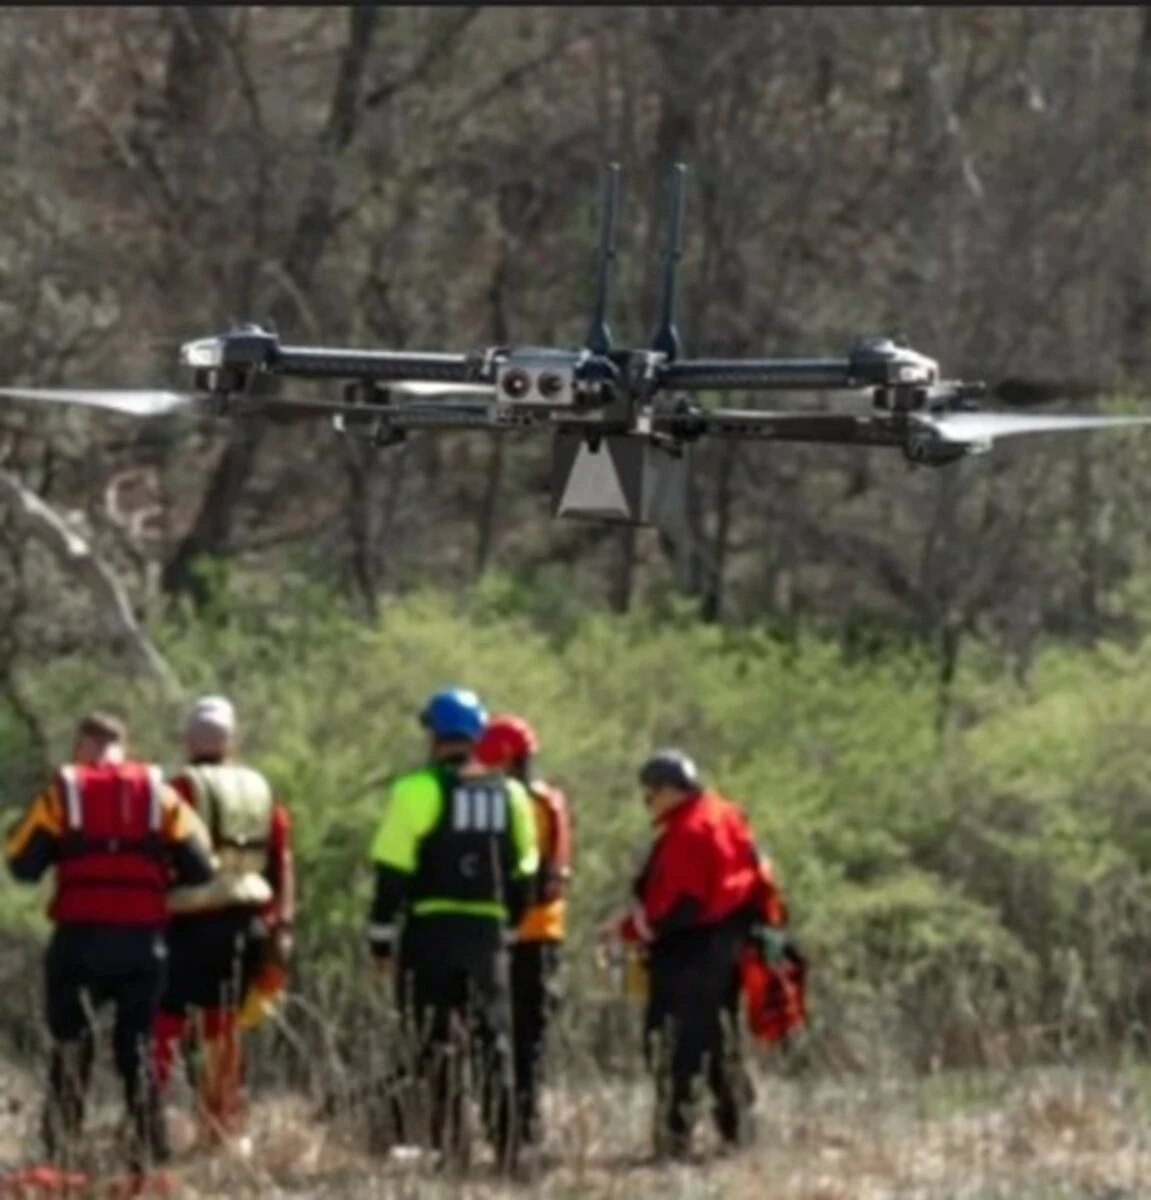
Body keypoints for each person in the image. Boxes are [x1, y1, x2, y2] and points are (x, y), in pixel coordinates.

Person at [4, 711, 214, 1175]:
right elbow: (202, 866)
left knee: (71, 1047)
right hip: (144, 943)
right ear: (125, 745)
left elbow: (20, 866)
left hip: (79, 940)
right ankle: (149, 1157)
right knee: (136, 1049)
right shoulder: (159, 795)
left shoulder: (65, 792)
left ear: (83, 747)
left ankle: (61, 1157)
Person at [366, 687, 539, 1172]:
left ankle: (452, 1149)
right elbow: (528, 872)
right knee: (494, 1042)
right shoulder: (512, 795)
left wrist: (380, 939)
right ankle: (509, 1151)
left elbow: (392, 874)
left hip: (429, 933)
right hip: (487, 935)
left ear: (435, 736)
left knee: (432, 1042)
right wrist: (509, 929)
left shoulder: (415, 790)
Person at [599, 749, 765, 1161]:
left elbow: (682, 904)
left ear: (670, 790)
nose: (647, 804)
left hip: (691, 950)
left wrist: (631, 930)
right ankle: (739, 1132)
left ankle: (674, 1141)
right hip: (728, 943)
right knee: (718, 1041)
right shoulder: (723, 813)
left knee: (673, 1045)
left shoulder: (691, 830)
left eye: (649, 794)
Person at [151, 695, 296, 1146]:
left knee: (164, 1020)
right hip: (251, 922)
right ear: (232, 739)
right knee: (223, 1027)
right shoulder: (260, 788)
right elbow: (281, 858)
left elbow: (162, 853)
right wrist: (283, 920)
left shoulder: (181, 786)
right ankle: (223, 1129)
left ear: (188, 739)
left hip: (193, 921)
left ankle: (145, 1120)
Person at [473, 714, 571, 1150]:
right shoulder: (550, 800)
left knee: (501, 1038)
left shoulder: (513, 803)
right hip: (546, 933)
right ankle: (524, 1131)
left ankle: (512, 1132)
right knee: (529, 1041)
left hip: (510, 935)